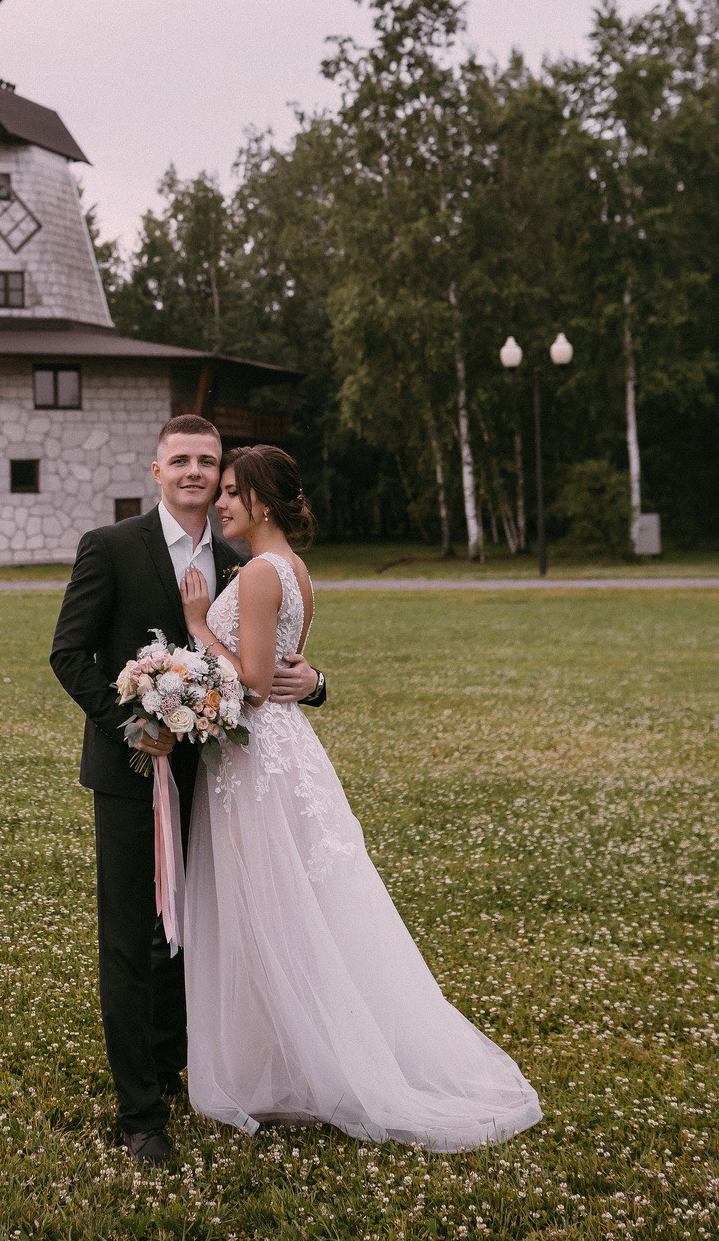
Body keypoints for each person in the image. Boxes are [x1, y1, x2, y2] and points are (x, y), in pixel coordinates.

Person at [181, 443, 542, 1150]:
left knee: (274, 908)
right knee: (295, 909)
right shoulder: (295, 571)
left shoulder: (258, 573)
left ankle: (305, 1066)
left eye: (230, 490)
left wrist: (196, 627)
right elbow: (281, 672)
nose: (219, 501)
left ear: (262, 500)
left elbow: (253, 683)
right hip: (283, 753)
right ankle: (286, 1062)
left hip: (260, 762)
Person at [50, 415, 324, 1164]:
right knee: (132, 938)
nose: (197, 472)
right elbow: (68, 653)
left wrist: (318, 682)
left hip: (221, 777)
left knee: (195, 932)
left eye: (209, 461)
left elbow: (264, 662)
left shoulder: (242, 556)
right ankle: (140, 1115)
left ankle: (173, 1068)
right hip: (132, 772)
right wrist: (128, 726)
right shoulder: (110, 549)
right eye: (182, 460)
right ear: (156, 469)